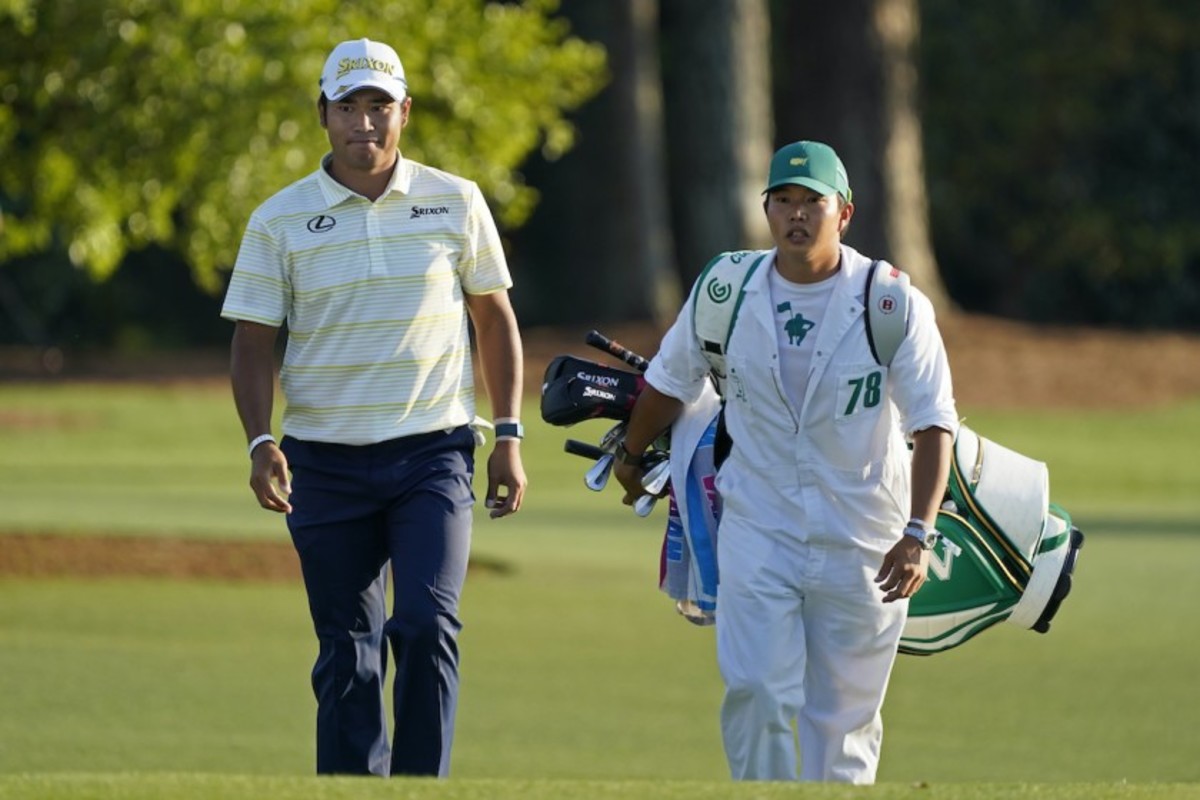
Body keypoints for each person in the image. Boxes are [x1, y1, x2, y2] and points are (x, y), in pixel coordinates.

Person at [220, 38, 527, 778]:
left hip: (434, 452)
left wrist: (509, 435)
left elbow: (494, 321)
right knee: (348, 652)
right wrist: (261, 441)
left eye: (379, 107)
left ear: (405, 114)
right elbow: (253, 342)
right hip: (323, 462)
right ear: (324, 114)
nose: (365, 122)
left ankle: (422, 788)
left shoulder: (454, 200)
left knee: (425, 625)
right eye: (349, 106)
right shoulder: (279, 220)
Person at [612, 140, 957, 783]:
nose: (797, 215)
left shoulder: (892, 303)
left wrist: (918, 534)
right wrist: (632, 453)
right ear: (766, 209)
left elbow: (935, 423)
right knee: (758, 694)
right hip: (759, 524)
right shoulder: (726, 289)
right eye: (784, 201)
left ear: (844, 214)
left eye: (813, 202)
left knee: (844, 718)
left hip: (866, 536)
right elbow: (670, 380)